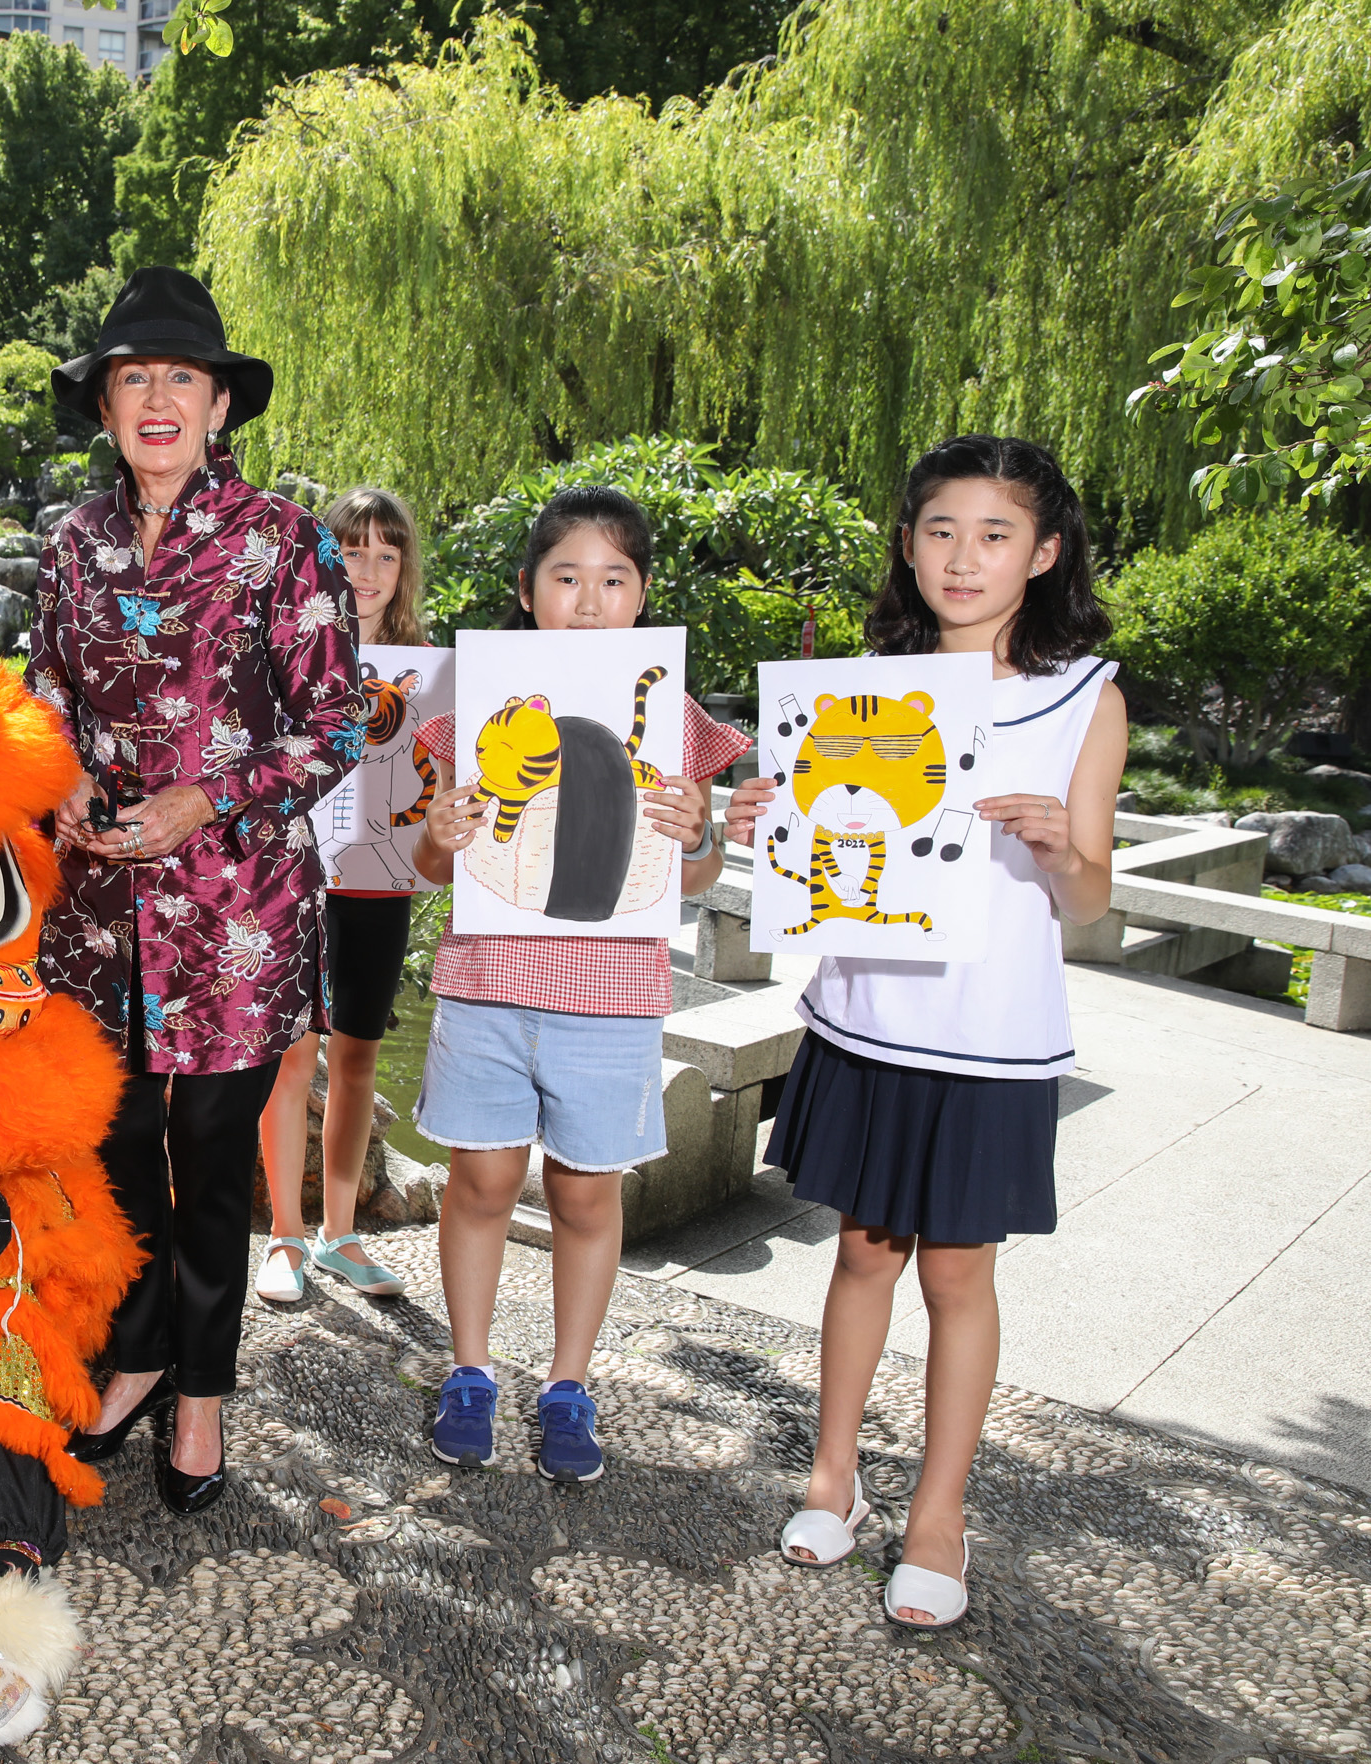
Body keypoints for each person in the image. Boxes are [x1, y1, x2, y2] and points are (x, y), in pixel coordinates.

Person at [728, 435, 1122, 1631]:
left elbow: (1092, 900)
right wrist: (764, 819)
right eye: (942, 530)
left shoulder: (1083, 696)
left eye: (997, 534)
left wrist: (1063, 841)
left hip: (993, 1031)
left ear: (1044, 554)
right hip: (869, 1013)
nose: (966, 556)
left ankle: (939, 1512)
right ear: (908, 544)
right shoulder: (861, 686)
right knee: (861, 1251)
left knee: (959, 1271)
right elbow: (815, 849)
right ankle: (830, 1476)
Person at [32, 266, 361, 1515]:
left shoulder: (286, 541)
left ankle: (204, 1399)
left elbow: (337, 725)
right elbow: (48, 688)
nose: (157, 399)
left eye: (181, 377)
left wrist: (206, 795)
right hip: (99, 913)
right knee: (114, 1153)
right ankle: (142, 1346)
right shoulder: (73, 541)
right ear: (108, 406)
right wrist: (54, 774)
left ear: (219, 406)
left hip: (238, 912)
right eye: (134, 378)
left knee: (215, 1162)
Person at [412, 487, 752, 1484]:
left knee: (586, 1196)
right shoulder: (477, 705)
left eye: (614, 579)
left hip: (612, 999)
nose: (590, 600)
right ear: (529, 589)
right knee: (477, 1182)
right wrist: (438, 840)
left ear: (644, 592)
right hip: (488, 983)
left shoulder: (672, 712)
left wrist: (702, 837)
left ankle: (568, 1384)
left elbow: (690, 878)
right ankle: (469, 1369)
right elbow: (439, 865)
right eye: (567, 577)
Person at [257, 486, 432, 1303]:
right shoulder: (279, 648)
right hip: (291, 877)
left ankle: (340, 1235)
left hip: (380, 880)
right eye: (351, 550)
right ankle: (285, 1240)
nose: (367, 569)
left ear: (405, 571)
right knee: (292, 1058)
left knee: (357, 1055)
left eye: (385, 554)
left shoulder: (428, 674)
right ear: (321, 558)